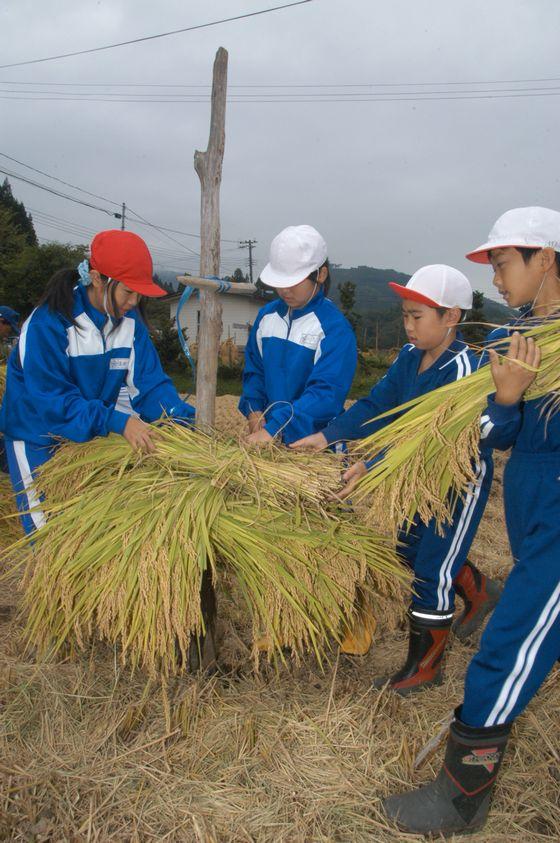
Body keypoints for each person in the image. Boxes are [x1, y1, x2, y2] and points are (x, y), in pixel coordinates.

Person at [382, 207, 560, 836]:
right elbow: (501, 431)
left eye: (505, 263)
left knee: (506, 645)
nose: (498, 277)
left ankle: (462, 795)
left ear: (545, 259)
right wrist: (507, 400)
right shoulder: (522, 332)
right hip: (534, 504)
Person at [292, 265, 501, 692]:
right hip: (411, 475)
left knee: (430, 570)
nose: (408, 325)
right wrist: (327, 435)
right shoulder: (408, 358)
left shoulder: (463, 370)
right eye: (404, 315)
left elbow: (431, 439)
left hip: (454, 482)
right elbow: (376, 404)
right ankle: (479, 590)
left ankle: (424, 667)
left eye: (417, 316)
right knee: (410, 550)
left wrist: (372, 465)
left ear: (451, 317)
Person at [0, 229, 195, 535]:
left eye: (138, 292)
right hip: (37, 434)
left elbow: (150, 385)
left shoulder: (130, 325)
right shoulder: (50, 324)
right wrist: (117, 422)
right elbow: (54, 402)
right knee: (50, 537)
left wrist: (182, 419)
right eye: (127, 291)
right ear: (97, 279)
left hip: (84, 437)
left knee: (87, 533)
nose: (134, 301)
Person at [238, 225, 357, 447]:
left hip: (315, 446)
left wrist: (277, 427)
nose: (285, 291)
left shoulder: (334, 329)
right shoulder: (267, 317)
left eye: (294, 281)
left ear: (321, 274)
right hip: (270, 440)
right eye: (280, 282)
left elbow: (325, 394)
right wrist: (254, 410)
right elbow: (255, 371)